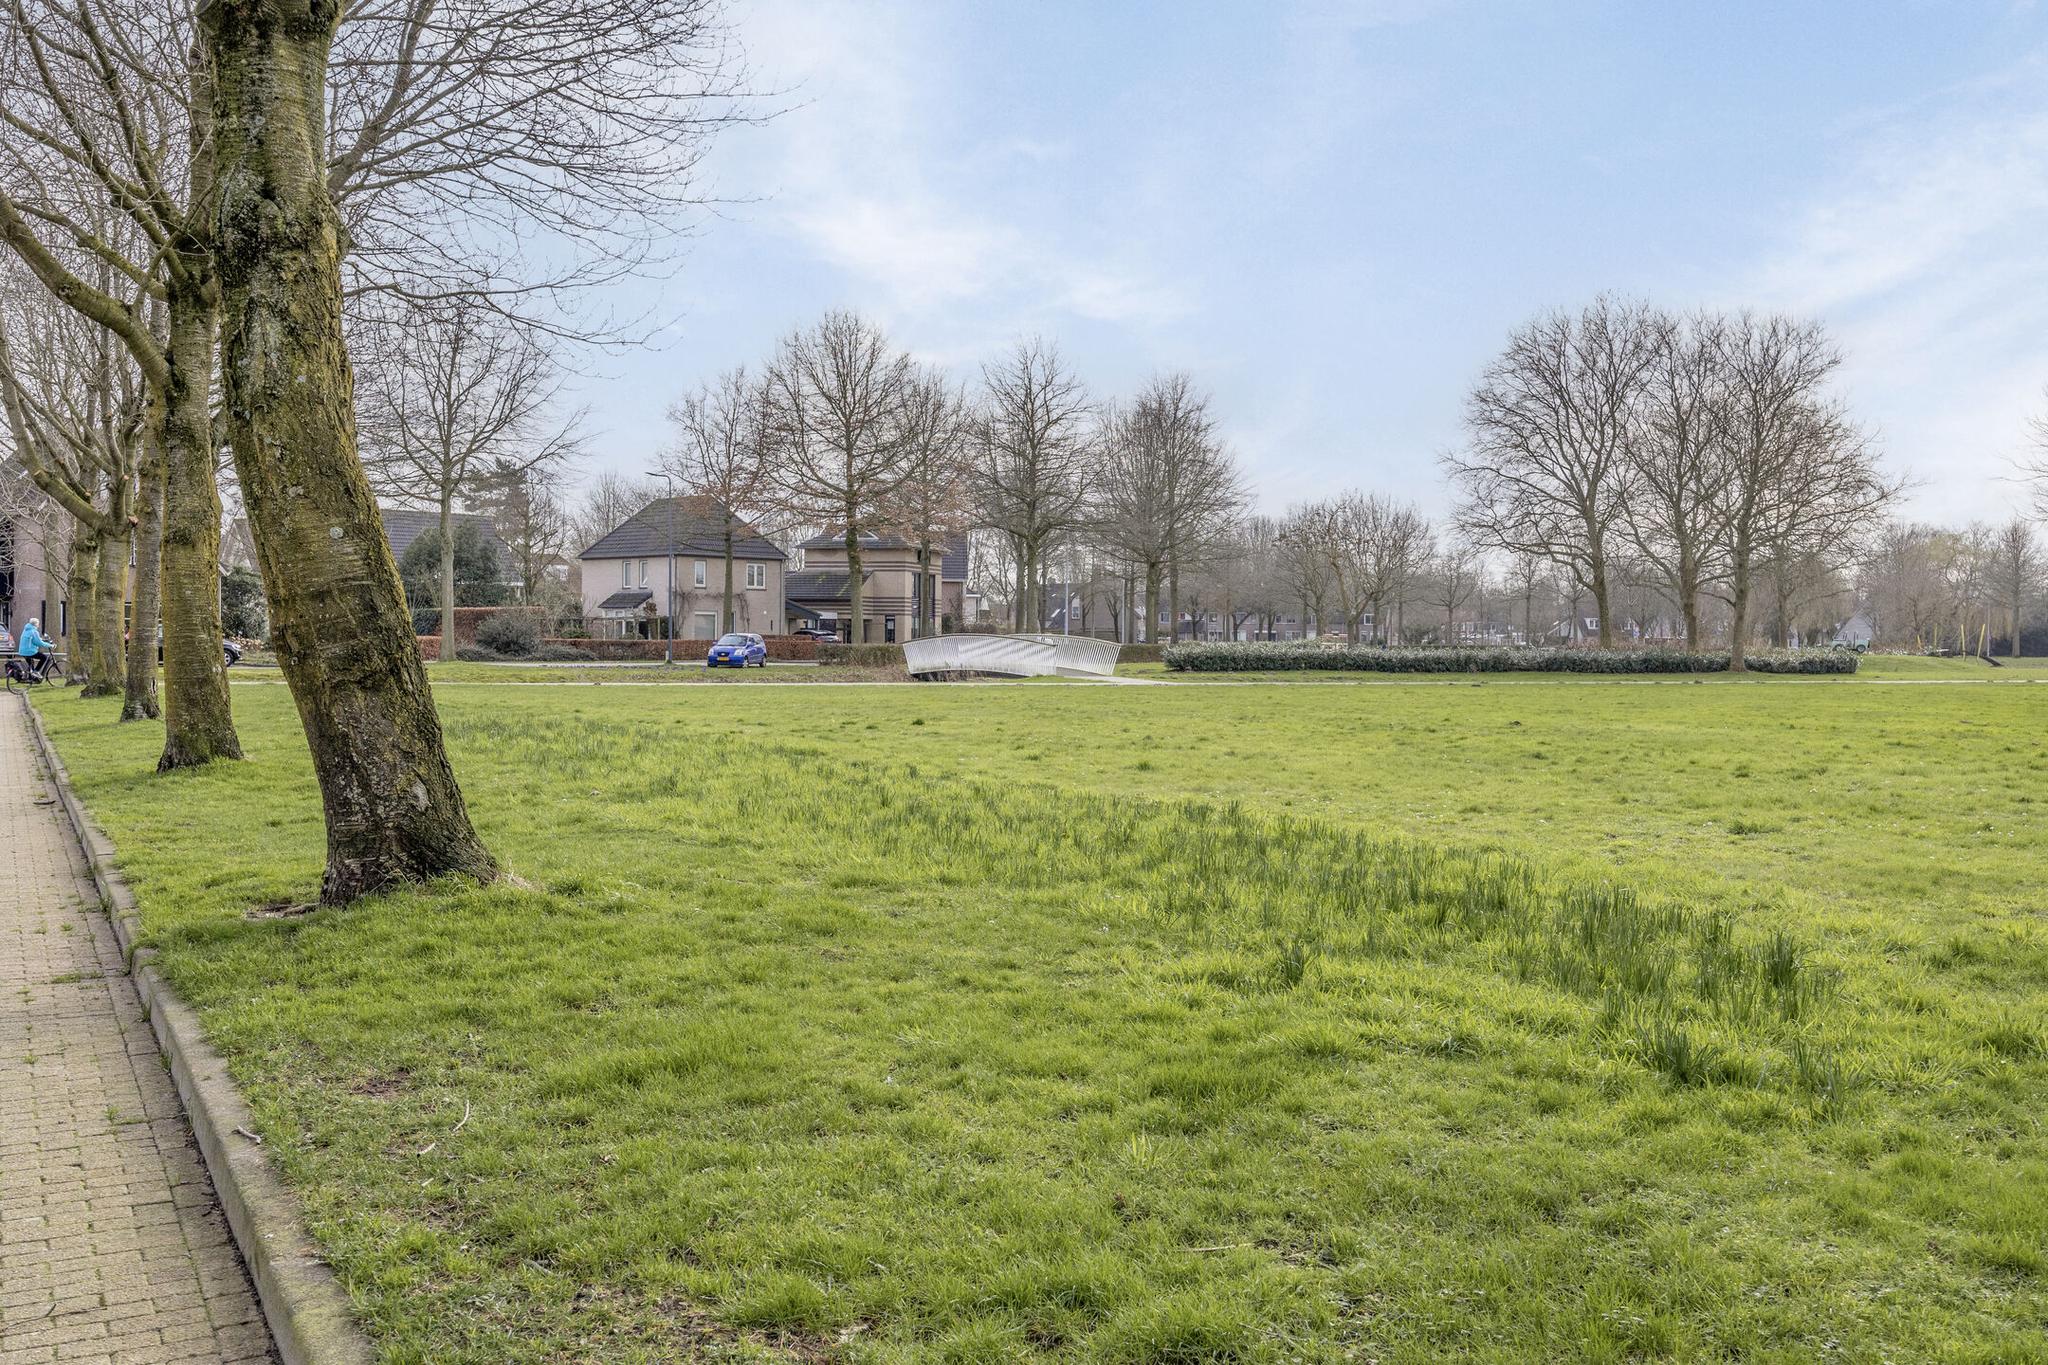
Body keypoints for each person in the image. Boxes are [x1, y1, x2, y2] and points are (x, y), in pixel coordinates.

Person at [15, 617, 51, 682]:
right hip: (29, 651)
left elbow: (32, 639)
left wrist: (41, 639)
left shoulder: (26, 630)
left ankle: (28, 678)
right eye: (38, 624)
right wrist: (51, 645)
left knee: (31, 663)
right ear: (36, 624)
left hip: (22, 651)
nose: (38, 625)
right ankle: (36, 671)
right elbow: (39, 643)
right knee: (44, 657)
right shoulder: (34, 631)